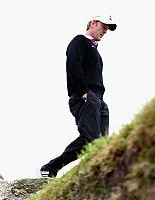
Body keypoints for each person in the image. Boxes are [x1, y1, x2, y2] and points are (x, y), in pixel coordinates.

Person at [40, 15, 117, 178]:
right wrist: (83, 91)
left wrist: (99, 100)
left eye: (108, 28)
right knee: (91, 139)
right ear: (93, 23)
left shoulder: (96, 51)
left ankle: (99, 172)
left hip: (98, 100)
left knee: (102, 143)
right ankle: (50, 167)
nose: (106, 31)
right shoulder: (79, 41)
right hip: (85, 96)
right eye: (104, 26)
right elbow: (73, 65)